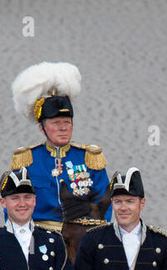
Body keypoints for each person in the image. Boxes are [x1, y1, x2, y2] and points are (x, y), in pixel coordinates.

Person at [10, 62, 111, 231]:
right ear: (42, 128)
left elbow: (103, 205)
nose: (63, 128)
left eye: (67, 122)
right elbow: (12, 206)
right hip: (39, 238)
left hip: (81, 238)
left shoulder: (89, 158)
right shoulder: (27, 160)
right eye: (56, 123)